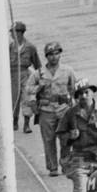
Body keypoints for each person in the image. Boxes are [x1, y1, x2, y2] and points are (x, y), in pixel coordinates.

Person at [24, 42, 77, 177]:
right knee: (49, 140)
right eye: (51, 55)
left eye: (56, 54)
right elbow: (28, 89)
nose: (54, 57)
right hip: (46, 110)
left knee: (66, 139)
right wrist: (38, 88)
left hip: (64, 109)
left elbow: (74, 90)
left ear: (60, 54)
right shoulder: (39, 73)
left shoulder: (68, 71)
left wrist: (75, 109)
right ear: (46, 57)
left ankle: (65, 164)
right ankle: (52, 167)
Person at [8, 22, 41, 133]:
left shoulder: (30, 47)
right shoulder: (10, 47)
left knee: (27, 99)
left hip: (25, 75)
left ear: (20, 33)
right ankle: (14, 121)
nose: (12, 35)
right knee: (13, 100)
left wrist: (39, 80)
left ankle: (27, 124)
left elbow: (38, 65)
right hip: (12, 76)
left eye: (14, 32)